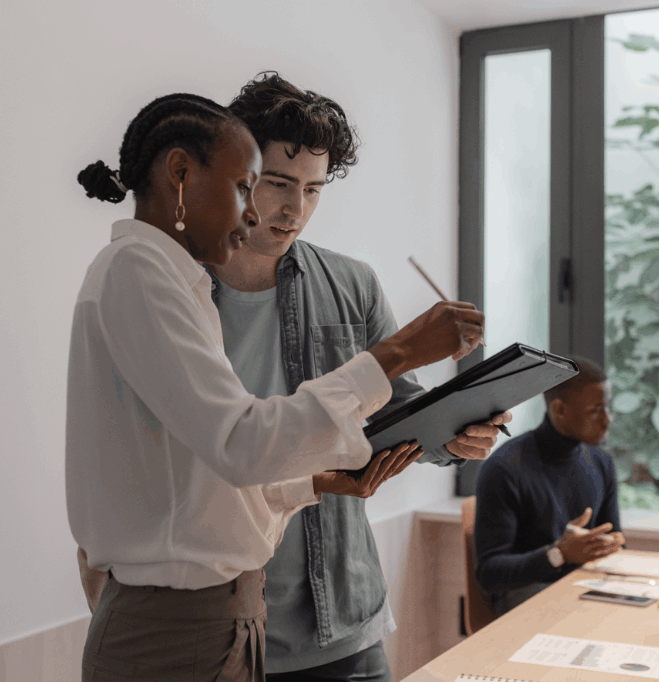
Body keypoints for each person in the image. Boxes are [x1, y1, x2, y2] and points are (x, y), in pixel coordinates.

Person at [77, 74, 510, 682]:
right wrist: (399, 350)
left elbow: (383, 420)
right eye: (267, 184)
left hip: (325, 617)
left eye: (312, 190)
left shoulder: (340, 284)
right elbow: (241, 446)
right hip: (198, 621)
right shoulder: (159, 280)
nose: (291, 210)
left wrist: (451, 430)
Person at [473, 357, 624, 617]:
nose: (607, 420)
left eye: (608, 408)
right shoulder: (504, 468)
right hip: (526, 597)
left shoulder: (602, 463)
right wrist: (558, 554)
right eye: (595, 410)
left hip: (583, 588)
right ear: (560, 410)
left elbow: (614, 539)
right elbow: (490, 574)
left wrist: (610, 545)